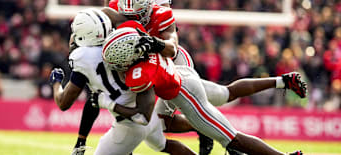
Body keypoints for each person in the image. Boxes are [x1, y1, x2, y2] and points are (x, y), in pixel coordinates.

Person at [100, 22, 305, 155]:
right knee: (225, 93)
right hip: (184, 74)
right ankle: (283, 81)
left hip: (184, 94)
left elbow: (142, 116)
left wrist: (108, 103)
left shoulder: (141, 72)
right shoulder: (145, 43)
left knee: (231, 138)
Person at [50, 8, 196, 155]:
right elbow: (93, 99)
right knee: (164, 145)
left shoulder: (83, 59)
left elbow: (64, 102)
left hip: (130, 121)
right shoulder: (121, 43)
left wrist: (56, 82)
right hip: (149, 113)